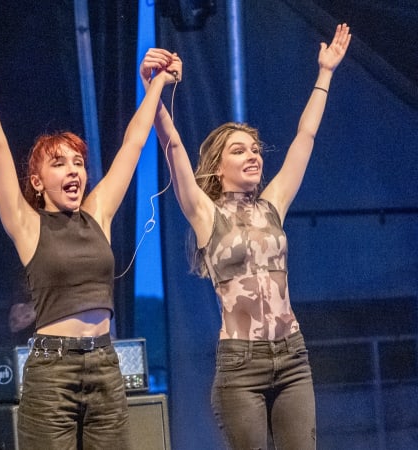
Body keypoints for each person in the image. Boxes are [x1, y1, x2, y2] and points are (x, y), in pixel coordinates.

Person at [0, 43, 182, 447]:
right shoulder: (27, 225)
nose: (74, 171)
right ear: (36, 181)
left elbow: (133, 145)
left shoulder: (96, 213)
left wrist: (155, 85)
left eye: (78, 163)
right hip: (53, 370)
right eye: (60, 163)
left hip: (105, 363)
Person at [152, 24, 351, 450]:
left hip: (292, 356)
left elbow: (305, 137)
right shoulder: (205, 214)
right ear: (218, 166)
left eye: (255, 149)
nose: (253, 155)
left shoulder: (272, 204)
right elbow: (172, 146)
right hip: (241, 366)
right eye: (239, 150)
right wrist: (154, 89)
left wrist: (325, 72)